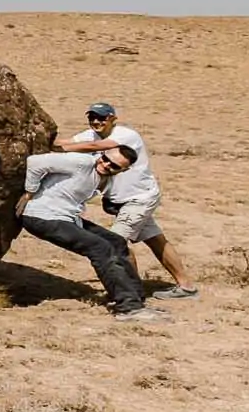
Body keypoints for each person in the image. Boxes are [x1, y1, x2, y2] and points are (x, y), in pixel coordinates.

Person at [56, 101, 197, 297]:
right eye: (92, 117)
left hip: (139, 199)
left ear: (113, 119)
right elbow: (71, 141)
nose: (96, 121)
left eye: (102, 118)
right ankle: (186, 286)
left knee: (115, 243)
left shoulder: (126, 135)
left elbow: (96, 146)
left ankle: (131, 289)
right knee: (155, 240)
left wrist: (63, 147)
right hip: (126, 201)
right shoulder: (88, 135)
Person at [17, 143, 160, 322]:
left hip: (67, 218)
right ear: (102, 154)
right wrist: (29, 192)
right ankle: (128, 307)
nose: (106, 165)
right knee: (100, 248)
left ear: (123, 170)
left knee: (117, 242)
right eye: (106, 159)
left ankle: (136, 298)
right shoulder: (82, 162)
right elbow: (35, 162)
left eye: (114, 166)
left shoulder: (104, 177)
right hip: (42, 216)